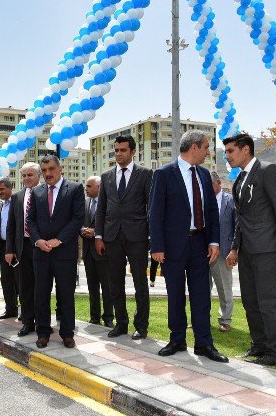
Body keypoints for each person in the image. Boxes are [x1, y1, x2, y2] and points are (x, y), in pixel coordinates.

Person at [224, 133, 276, 367]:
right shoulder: (239, 180)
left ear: (246, 149)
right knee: (250, 300)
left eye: (230, 151)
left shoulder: (269, 171)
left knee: (268, 300)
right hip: (247, 250)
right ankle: (259, 345)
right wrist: (235, 248)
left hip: (267, 248)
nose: (227, 156)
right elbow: (241, 217)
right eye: (225, 152)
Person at [149, 131, 228, 363]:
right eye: (206, 147)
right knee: (175, 294)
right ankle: (177, 340)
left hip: (200, 244)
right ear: (195, 147)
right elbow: (155, 213)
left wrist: (214, 241)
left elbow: (212, 212)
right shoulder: (164, 174)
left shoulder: (204, 175)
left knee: (202, 295)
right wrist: (157, 246)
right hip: (172, 246)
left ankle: (204, 344)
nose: (208, 152)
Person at [94, 135, 153, 340]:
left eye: (123, 150)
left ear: (133, 152)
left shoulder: (145, 174)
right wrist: (99, 236)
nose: (119, 154)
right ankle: (121, 323)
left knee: (140, 283)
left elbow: (151, 207)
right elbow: (101, 209)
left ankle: (141, 326)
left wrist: (151, 237)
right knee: (115, 283)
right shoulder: (106, 176)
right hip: (111, 237)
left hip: (137, 237)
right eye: (116, 150)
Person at [27, 155, 84, 349]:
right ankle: (43, 332)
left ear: (60, 168)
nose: (48, 174)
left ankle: (67, 334)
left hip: (65, 253)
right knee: (41, 294)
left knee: (66, 294)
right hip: (41, 253)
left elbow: (78, 219)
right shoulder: (36, 191)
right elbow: (30, 220)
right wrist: (38, 240)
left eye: (51, 169)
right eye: (44, 171)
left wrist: (59, 240)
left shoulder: (75, 189)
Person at [4, 162, 41, 337]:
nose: (26, 178)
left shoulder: (45, 193)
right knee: (24, 286)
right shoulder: (17, 197)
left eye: (30, 175)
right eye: (24, 175)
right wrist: (9, 250)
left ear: (39, 176)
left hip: (42, 246)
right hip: (23, 247)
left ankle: (42, 321)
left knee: (42, 285)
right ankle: (27, 322)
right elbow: (11, 226)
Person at [81, 176, 113, 327]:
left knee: (106, 286)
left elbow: (111, 224)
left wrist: (96, 232)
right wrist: (82, 230)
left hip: (102, 251)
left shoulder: (108, 203)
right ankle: (94, 317)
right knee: (92, 286)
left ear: (99, 187)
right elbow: (79, 221)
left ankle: (108, 317)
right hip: (88, 251)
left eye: (89, 186)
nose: (85, 188)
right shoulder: (84, 203)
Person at [209, 171, 236, 332]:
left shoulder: (231, 201)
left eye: (210, 184)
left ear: (218, 182)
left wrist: (234, 250)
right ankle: (201, 317)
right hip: (203, 253)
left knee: (224, 288)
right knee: (201, 288)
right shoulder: (202, 200)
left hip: (223, 252)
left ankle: (225, 319)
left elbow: (236, 228)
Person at [0, 177, 19, 320]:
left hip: (16, 248)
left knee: (20, 280)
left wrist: (13, 249)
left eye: (2, 189)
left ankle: (25, 311)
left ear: (10, 188)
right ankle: (10, 309)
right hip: (4, 247)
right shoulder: (3, 205)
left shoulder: (17, 202)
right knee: (6, 280)